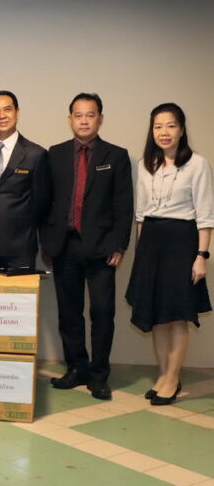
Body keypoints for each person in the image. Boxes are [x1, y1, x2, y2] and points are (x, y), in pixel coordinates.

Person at [40, 93, 133, 400]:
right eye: (78, 115)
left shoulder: (116, 155)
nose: (84, 121)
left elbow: (123, 204)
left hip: (103, 248)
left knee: (103, 312)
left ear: (100, 119)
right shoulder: (55, 154)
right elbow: (45, 202)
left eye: (90, 115)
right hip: (64, 245)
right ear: (70, 119)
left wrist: (119, 244)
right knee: (69, 313)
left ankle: (99, 375)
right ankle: (76, 367)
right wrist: (47, 243)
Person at [126, 103, 213, 406]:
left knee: (177, 316)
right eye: (158, 126)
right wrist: (141, 254)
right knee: (158, 316)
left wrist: (201, 255)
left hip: (181, 243)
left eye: (171, 125)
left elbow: (205, 216)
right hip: (151, 242)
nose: (164, 132)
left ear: (182, 129)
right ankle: (163, 375)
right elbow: (140, 215)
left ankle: (173, 379)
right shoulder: (145, 164)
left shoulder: (197, 164)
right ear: (152, 131)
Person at [0, 90, 51, 279]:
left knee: (18, 298)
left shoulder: (35, 154)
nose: (2, 116)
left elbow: (41, 202)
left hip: (19, 246)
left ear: (17, 112)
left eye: (7, 109)